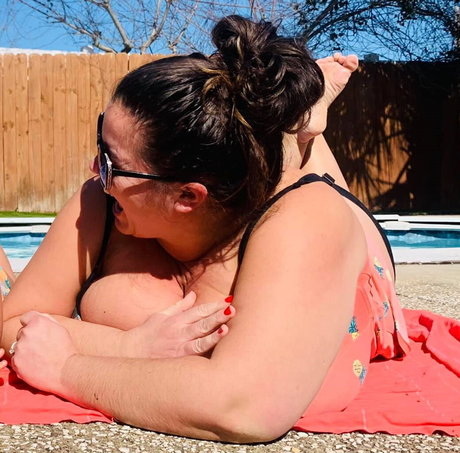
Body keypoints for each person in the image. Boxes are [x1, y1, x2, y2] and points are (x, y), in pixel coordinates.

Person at [0, 15, 435, 441]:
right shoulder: (102, 198)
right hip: (229, 192)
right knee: (252, 149)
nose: (95, 168)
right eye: (102, 142)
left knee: (302, 172)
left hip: (351, 244)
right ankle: (293, 123)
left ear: (186, 197)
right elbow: (13, 320)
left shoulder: (306, 219)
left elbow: (243, 406)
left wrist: (67, 368)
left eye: (113, 163)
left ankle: (301, 127)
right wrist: (126, 349)